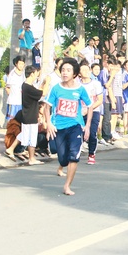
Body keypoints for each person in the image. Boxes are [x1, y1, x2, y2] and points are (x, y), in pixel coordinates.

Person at [45, 58, 94, 195]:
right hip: (58, 127)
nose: (64, 73)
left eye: (68, 70)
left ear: (74, 74)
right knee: (61, 157)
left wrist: (87, 126)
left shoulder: (80, 89)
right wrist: (48, 123)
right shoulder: (56, 88)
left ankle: (67, 186)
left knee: (74, 156)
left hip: (75, 126)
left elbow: (90, 106)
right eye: (62, 70)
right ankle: (62, 165)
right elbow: (46, 107)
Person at [7, 66, 49, 165]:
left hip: (28, 114)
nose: (37, 75)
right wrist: (47, 82)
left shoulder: (27, 86)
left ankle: (16, 151)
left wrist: (43, 83)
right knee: (31, 138)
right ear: (32, 74)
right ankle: (31, 158)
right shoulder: (28, 87)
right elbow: (43, 93)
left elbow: (38, 91)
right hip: (30, 116)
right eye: (36, 73)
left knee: (26, 136)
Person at [79, 61, 103, 165]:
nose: (86, 72)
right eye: (83, 70)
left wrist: (89, 109)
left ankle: (91, 154)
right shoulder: (77, 84)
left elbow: (99, 100)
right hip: (79, 113)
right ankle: (76, 153)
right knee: (79, 134)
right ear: (79, 72)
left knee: (92, 133)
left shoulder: (96, 84)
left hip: (94, 111)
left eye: (87, 70)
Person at [5, 55, 26, 121]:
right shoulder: (12, 74)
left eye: (22, 64)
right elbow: (7, 88)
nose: (21, 65)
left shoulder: (24, 74)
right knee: (12, 121)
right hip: (13, 102)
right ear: (16, 63)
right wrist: (11, 96)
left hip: (21, 102)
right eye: (19, 63)